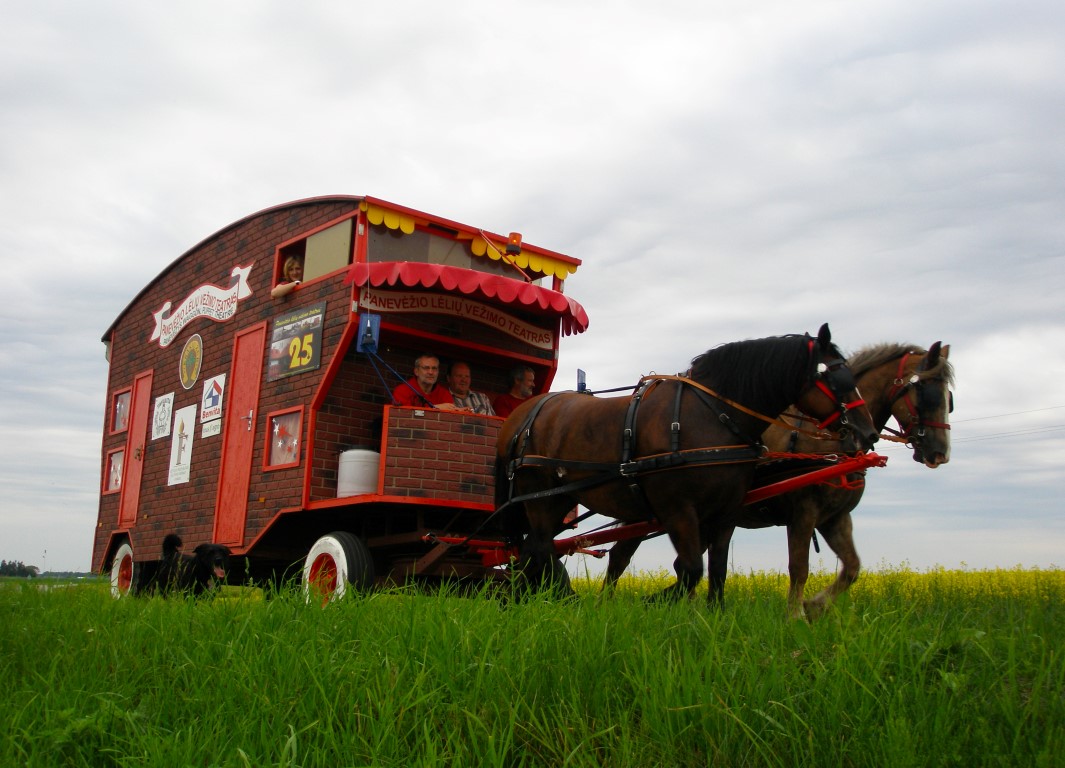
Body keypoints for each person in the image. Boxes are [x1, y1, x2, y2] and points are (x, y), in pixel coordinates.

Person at [391, 354, 460, 409]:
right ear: (416, 371)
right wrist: (435, 408)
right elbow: (404, 417)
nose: (430, 372)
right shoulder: (402, 390)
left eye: (434, 368)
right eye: (426, 368)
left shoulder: (444, 394)